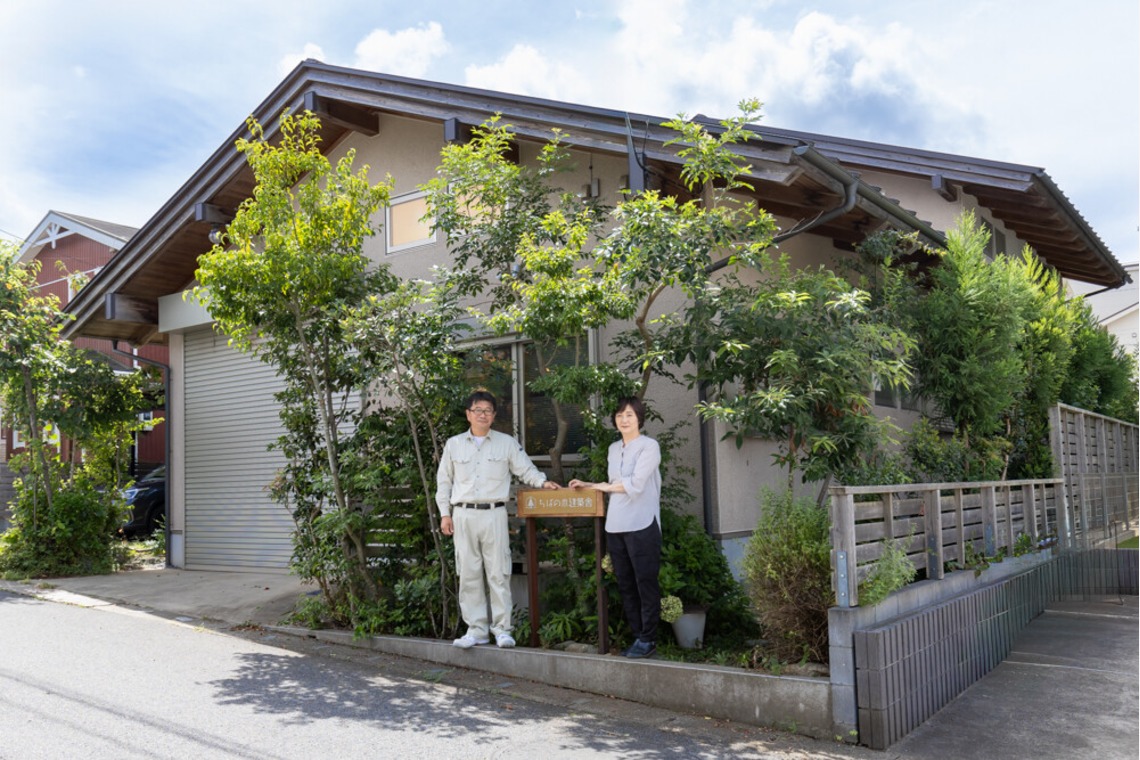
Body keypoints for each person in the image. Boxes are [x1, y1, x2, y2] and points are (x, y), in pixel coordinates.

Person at [437, 390, 560, 649]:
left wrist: (542, 482)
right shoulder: (454, 444)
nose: (483, 414)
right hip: (463, 515)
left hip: (494, 514)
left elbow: (525, 468)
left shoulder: (506, 443)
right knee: (468, 573)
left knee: (499, 572)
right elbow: (444, 481)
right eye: (477, 410)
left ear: (494, 416)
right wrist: (445, 513)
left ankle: (503, 629)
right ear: (468, 414)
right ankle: (476, 630)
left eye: (488, 411)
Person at [569, 396, 662, 658]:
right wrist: (590, 485)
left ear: (639, 419)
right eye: (620, 415)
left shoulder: (649, 446)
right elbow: (614, 483)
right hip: (616, 524)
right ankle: (637, 636)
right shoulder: (613, 449)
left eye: (630, 415)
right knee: (625, 583)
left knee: (645, 581)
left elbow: (636, 483)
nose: (624, 419)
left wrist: (600, 486)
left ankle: (649, 639)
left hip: (642, 522)